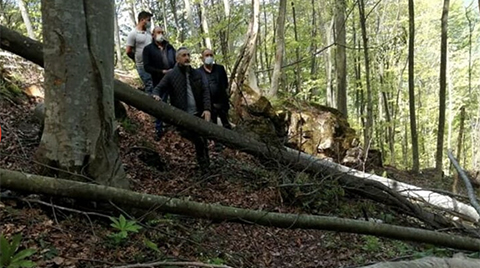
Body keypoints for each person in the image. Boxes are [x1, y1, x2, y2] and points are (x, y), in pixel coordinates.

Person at [152, 47, 212, 170]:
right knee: (198, 141)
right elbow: (158, 88)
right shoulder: (171, 75)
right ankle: (204, 166)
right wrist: (156, 95)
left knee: (203, 140)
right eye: (184, 55)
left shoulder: (197, 73)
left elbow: (205, 92)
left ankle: (206, 167)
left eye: (188, 55)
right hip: (182, 117)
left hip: (198, 114)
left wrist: (207, 109)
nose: (187, 58)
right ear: (177, 58)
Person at [143, 26, 176, 139]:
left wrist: (174, 71)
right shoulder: (148, 49)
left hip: (173, 79)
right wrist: (162, 71)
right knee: (160, 103)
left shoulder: (170, 47)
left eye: (162, 32)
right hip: (158, 81)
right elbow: (147, 67)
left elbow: (176, 60)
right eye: (158, 32)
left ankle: (176, 125)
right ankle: (158, 128)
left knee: (175, 101)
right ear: (153, 34)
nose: (161, 34)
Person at [197, 49, 231, 130]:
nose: (209, 57)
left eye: (211, 55)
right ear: (202, 58)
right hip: (209, 105)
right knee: (213, 127)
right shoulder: (198, 72)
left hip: (222, 103)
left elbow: (225, 84)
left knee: (226, 124)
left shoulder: (220, 69)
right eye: (207, 55)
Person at [126, 11, 153, 94]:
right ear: (142, 20)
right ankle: (149, 105)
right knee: (149, 84)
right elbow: (128, 51)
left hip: (152, 64)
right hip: (142, 65)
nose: (149, 22)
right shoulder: (133, 34)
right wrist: (136, 59)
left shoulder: (148, 33)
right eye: (148, 20)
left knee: (155, 84)